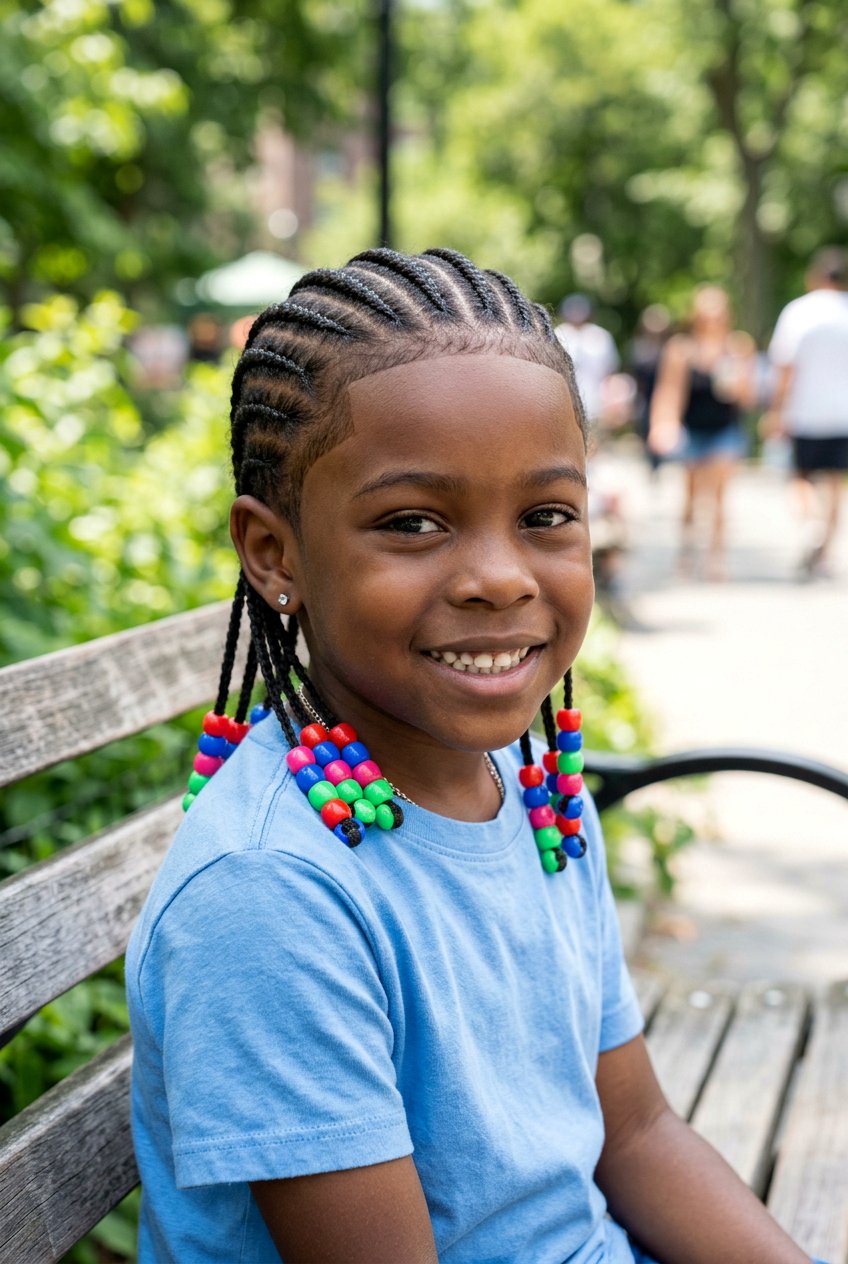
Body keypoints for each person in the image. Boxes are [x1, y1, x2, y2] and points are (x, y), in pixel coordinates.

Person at [125, 247, 823, 1264]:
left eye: (544, 516)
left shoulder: (538, 804)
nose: (498, 577)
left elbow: (634, 1131)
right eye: (412, 523)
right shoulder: (270, 895)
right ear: (274, 553)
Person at [648, 285, 755, 580]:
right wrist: (662, 424)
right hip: (693, 430)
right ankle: (687, 550)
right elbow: (669, 392)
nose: (713, 321)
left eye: (718, 315)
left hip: (725, 430)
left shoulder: (738, 347)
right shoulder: (682, 349)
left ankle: (716, 558)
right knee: (691, 494)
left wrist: (737, 383)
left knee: (720, 495)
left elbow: (749, 397)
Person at [766, 246, 848, 579]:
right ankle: (824, 553)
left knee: (800, 477)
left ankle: (812, 525)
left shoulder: (798, 312)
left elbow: (785, 367)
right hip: (842, 414)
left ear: (815, 277)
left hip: (805, 413)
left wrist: (776, 411)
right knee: (835, 484)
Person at [554, 293, 620, 424]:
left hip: (597, 402)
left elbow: (610, 372)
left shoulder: (601, 336)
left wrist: (611, 399)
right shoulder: (558, 334)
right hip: (564, 403)